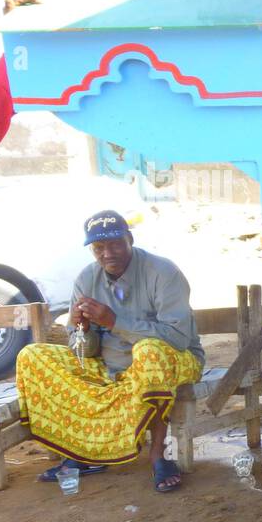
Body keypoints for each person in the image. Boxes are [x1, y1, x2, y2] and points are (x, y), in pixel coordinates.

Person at [16, 210, 205, 492]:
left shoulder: (163, 273)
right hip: (111, 362)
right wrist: (84, 331)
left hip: (176, 359)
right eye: (99, 248)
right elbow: (85, 352)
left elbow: (177, 338)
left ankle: (158, 455)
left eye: (115, 244)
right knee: (32, 356)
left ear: (130, 239)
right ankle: (83, 453)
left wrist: (114, 322)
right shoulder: (86, 279)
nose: (108, 253)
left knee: (150, 353)